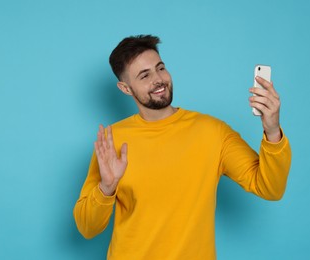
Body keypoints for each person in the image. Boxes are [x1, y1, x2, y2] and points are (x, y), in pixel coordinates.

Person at [73, 35, 292, 260]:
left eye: (160, 68)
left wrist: (272, 130)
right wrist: (106, 188)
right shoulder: (112, 140)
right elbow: (87, 227)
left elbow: (270, 188)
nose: (159, 80)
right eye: (145, 75)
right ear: (125, 88)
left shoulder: (212, 132)